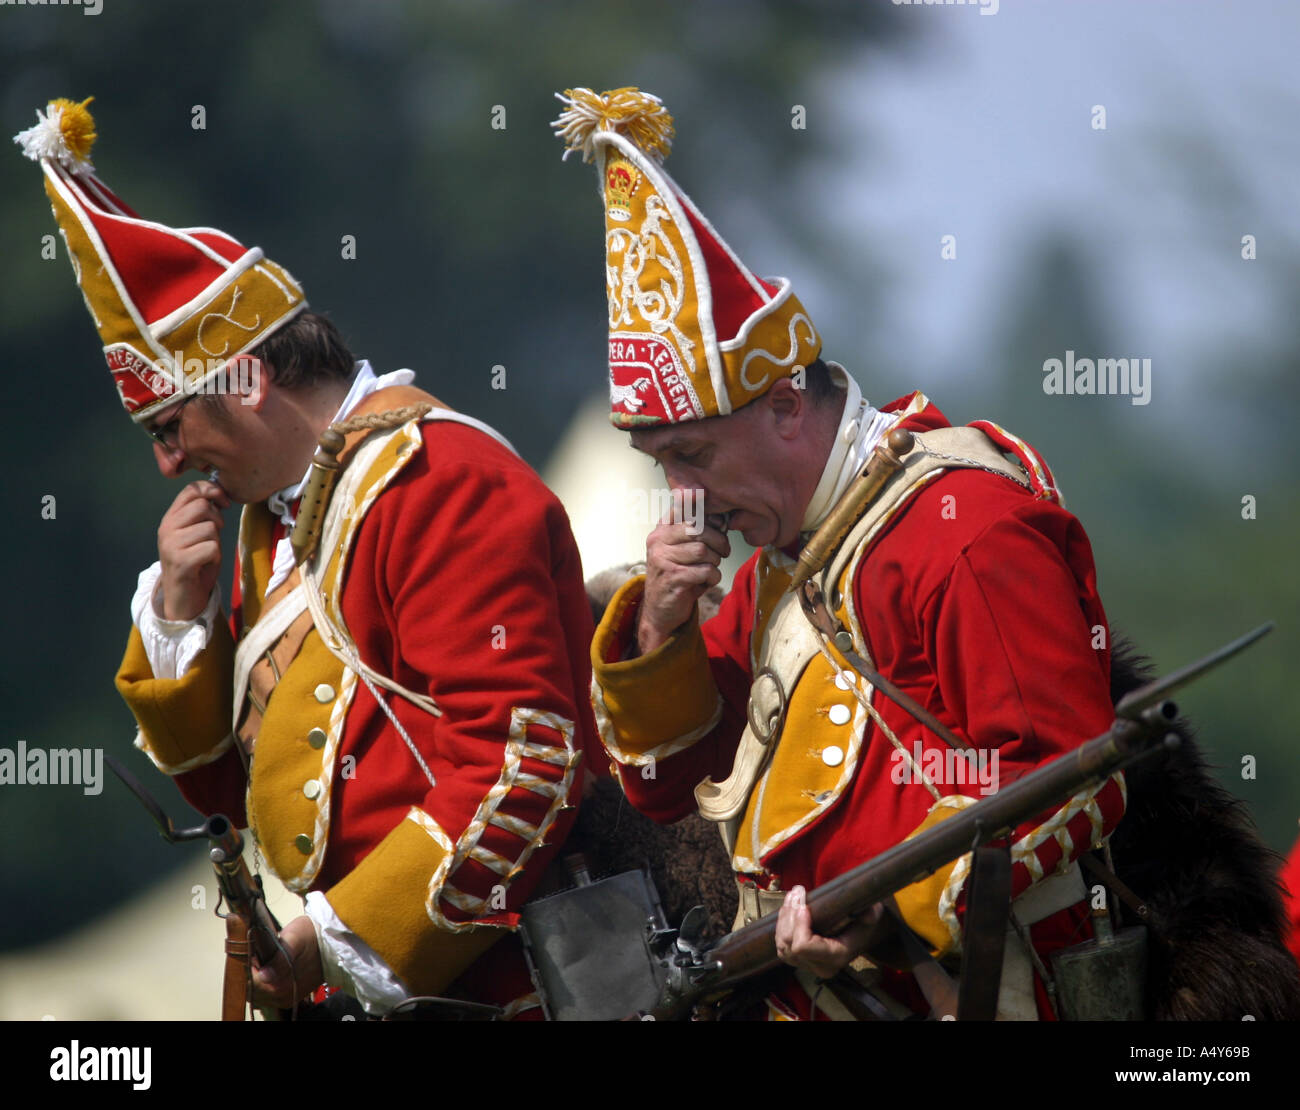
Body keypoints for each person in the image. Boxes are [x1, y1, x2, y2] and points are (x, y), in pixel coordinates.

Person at [553, 87, 1128, 1020]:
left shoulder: (969, 528)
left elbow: (1069, 781)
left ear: (786, 405)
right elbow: (669, 794)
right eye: (663, 466)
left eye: (691, 455)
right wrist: (662, 627)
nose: (682, 499)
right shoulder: (788, 562)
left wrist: (881, 907)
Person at [17, 96, 600, 1019]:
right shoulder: (268, 524)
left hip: (503, 994)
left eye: (170, 425)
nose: (168, 463)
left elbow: (522, 764)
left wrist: (340, 940)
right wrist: (176, 614)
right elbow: (241, 801)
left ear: (246, 380)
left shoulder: (439, 480)